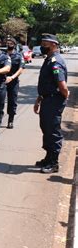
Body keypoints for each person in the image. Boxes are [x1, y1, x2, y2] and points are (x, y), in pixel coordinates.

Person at [34, 34, 69, 174]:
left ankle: (54, 163)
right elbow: (46, 84)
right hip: (47, 99)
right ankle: (48, 157)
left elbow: (61, 83)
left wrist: (65, 94)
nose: (42, 46)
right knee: (46, 128)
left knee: (52, 130)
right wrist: (39, 99)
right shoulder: (48, 59)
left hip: (54, 100)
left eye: (45, 43)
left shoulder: (55, 61)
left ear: (53, 44)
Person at [5, 37, 25, 129]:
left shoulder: (19, 55)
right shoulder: (2, 55)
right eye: (7, 43)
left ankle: (10, 120)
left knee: (12, 101)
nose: (9, 45)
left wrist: (12, 77)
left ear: (14, 45)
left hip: (13, 81)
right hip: (2, 81)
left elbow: (21, 69)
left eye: (11, 43)